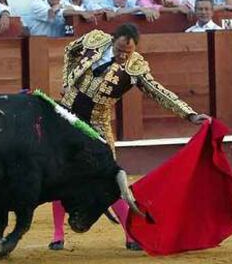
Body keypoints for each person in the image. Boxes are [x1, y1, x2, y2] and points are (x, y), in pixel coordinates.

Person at [49, 23, 211, 251]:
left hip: (97, 123)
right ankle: (57, 235)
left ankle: (130, 235)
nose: (123, 55)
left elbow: (158, 92)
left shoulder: (136, 67)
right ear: (112, 40)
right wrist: (66, 83)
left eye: (128, 51)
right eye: (119, 49)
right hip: (67, 115)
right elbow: (70, 50)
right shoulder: (95, 38)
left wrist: (190, 114)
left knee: (110, 178)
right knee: (59, 173)